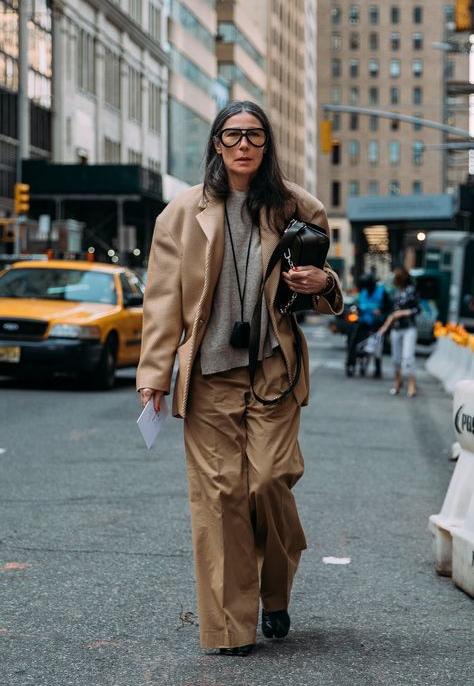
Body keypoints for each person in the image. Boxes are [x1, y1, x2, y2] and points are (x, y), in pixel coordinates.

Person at [136, 100, 343, 656]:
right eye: (233, 135)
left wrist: (321, 282)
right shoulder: (180, 215)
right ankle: (230, 630)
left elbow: (328, 293)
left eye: (255, 135)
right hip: (208, 376)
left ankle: (275, 592)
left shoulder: (301, 207)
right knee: (220, 499)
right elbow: (161, 303)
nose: (244, 145)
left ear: (268, 145)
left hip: (274, 371)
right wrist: (154, 375)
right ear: (217, 145)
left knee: (270, 481)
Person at [379, 267, 420, 397]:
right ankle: (397, 382)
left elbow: (418, 309)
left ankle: (411, 384)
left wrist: (403, 312)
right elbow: (392, 312)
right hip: (395, 328)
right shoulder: (395, 292)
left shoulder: (412, 291)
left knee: (408, 358)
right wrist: (385, 326)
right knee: (395, 359)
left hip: (409, 327)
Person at [345, 273, 390, 378]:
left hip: (377, 324)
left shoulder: (382, 292)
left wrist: (381, 311)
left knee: (378, 345)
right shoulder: (363, 292)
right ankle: (350, 365)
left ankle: (378, 368)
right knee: (353, 340)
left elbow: (389, 308)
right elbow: (356, 304)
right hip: (363, 322)